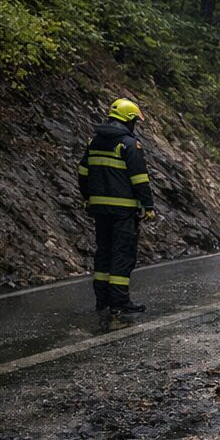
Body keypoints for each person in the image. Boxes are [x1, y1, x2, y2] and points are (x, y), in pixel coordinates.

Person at [78, 97, 154, 314]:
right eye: (134, 121)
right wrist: (148, 206)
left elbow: (83, 172)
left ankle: (102, 299)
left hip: (100, 210)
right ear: (128, 120)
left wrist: (88, 197)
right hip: (123, 211)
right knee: (122, 253)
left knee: (104, 252)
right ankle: (120, 301)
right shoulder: (129, 145)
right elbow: (140, 178)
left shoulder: (93, 142)